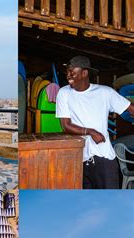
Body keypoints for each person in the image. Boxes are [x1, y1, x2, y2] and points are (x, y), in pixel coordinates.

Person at [56, 56, 134, 189]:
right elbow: (66, 125)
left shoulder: (105, 92)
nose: (68, 75)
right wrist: (90, 132)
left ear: (84, 73)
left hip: (103, 157)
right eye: (67, 72)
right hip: (78, 158)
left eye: (72, 72)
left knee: (108, 202)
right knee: (86, 204)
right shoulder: (64, 93)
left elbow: (131, 109)